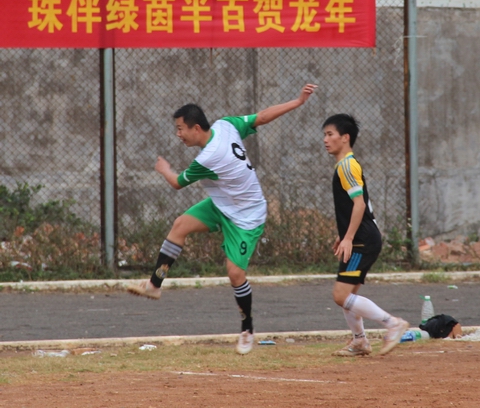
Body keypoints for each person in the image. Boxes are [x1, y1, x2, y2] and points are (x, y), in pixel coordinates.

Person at [128, 83, 318, 355]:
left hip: (247, 215)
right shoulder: (226, 125)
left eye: (180, 129)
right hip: (223, 203)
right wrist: (297, 101)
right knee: (180, 225)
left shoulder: (208, 157)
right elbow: (262, 117)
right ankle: (154, 285)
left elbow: (177, 183)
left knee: (235, 273)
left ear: (196, 128)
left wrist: (164, 168)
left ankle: (247, 330)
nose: (178, 134)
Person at [322, 113, 409, 356]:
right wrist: (344, 234)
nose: (325, 140)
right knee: (349, 294)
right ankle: (360, 341)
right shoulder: (345, 165)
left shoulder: (347, 165)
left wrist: (350, 237)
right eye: (324, 135)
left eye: (330, 134)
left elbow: (359, 204)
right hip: (362, 237)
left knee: (341, 295)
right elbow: (359, 206)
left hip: (362, 241)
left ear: (345, 137)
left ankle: (393, 324)